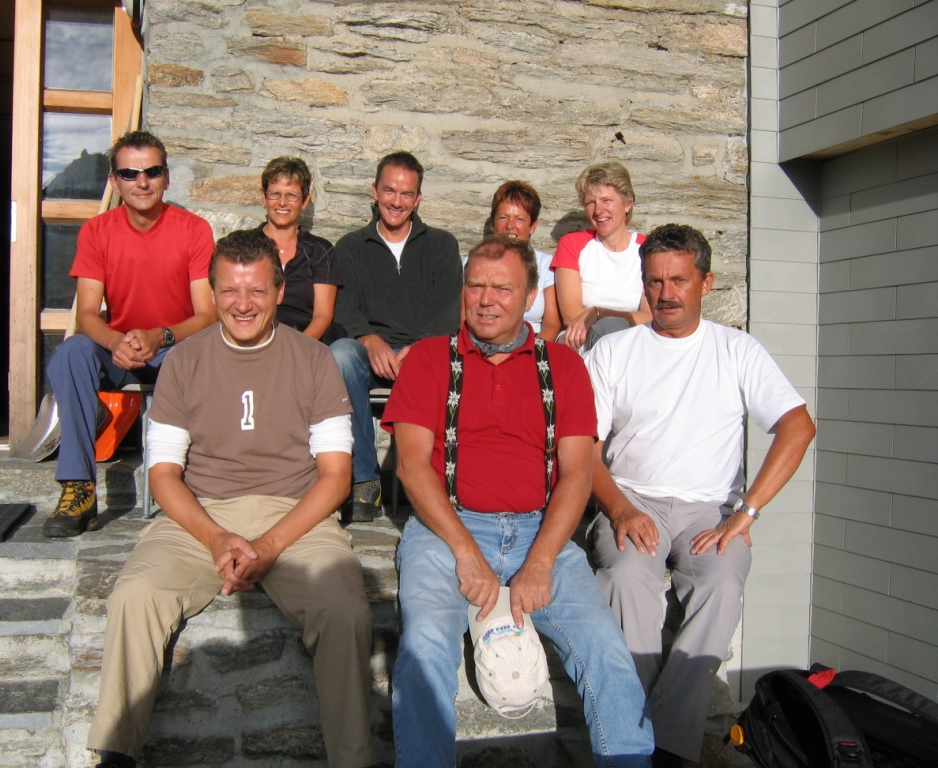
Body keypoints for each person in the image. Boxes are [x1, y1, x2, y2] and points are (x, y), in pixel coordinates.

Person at [86, 229, 375, 768]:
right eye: (230, 291)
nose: (243, 304)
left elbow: (336, 477)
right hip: (203, 512)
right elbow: (164, 474)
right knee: (135, 595)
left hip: (295, 514)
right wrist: (217, 538)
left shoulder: (315, 361)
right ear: (213, 293)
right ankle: (116, 754)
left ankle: (352, 759)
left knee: (345, 610)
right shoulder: (183, 361)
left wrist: (268, 546)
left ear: (280, 291)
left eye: (257, 291)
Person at [383, 233, 655, 768]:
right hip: (446, 528)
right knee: (425, 646)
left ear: (530, 296)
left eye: (502, 289)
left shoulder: (564, 366)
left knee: (604, 647)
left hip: (540, 527)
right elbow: (412, 466)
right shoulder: (430, 359)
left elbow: (577, 473)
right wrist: (465, 550)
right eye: (476, 286)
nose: (486, 300)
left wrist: (542, 560)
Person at [586, 224, 816, 767]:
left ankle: (654, 743)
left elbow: (798, 426)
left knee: (722, 582)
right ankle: (658, 740)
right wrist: (619, 508)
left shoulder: (736, 350)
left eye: (679, 280)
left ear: (706, 283)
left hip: (710, 511)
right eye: (655, 281)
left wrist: (746, 513)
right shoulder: (614, 351)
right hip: (632, 499)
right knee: (626, 576)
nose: (666, 293)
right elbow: (583, 449)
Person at [43, 130, 216, 538]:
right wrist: (115, 342)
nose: (142, 181)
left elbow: (207, 314)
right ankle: (78, 487)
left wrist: (160, 336)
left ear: (166, 177)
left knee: (201, 359)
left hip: (174, 347)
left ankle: (195, 482)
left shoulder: (193, 230)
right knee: (71, 353)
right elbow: (87, 314)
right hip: (120, 348)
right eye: (129, 173)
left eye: (152, 171)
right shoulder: (97, 231)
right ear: (114, 180)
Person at [330, 151, 462, 521]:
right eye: (389, 191)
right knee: (340, 354)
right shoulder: (351, 247)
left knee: (457, 362)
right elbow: (344, 307)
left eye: (406, 194)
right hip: (371, 354)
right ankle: (364, 482)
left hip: (427, 354)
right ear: (375, 191)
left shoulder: (442, 245)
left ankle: (438, 485)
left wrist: (421, 349)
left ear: (418, 199)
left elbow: (449, 309)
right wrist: (368, 339)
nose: (397, 202)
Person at [553, 161, 651, 353]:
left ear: (627, 204)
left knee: (612, 329)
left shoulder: (648, 249)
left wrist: (599, 313)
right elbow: (571, 315)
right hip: (581, 339)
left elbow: (649, 316)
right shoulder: (572, 245)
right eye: (591, 203)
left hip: (631, 340)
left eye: (607, 200)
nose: (598, 211)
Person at [257, 156, 342, 343]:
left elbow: (322, 316)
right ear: (264, 197)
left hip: (301, 341)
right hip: (253, 337)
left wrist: (297, 349)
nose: (282, 202)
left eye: (291, 195)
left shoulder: (320, 252)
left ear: (304, 202)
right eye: (275, 193)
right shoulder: (244, 245)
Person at [488, 180, 561, 341]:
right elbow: (465, 319)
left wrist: (534, 352)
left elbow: (552, 324)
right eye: (503, 217)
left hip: (533, 342)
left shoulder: (546, 264)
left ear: (532, 226)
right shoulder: (474, 264)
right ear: (493, 223)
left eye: (519, 219)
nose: (510, 226)